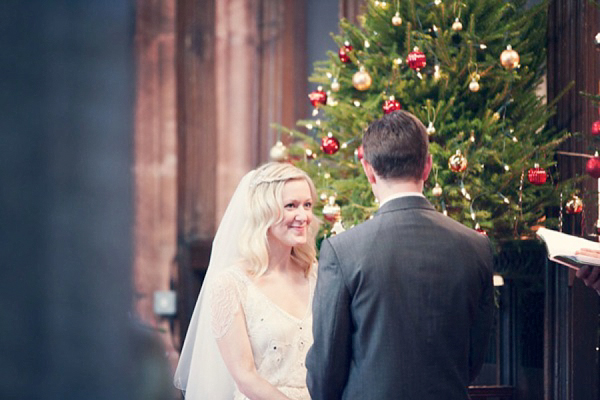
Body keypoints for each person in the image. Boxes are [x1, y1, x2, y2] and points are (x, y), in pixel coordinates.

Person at [306, 110, 495, 400]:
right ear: (428, 167)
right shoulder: (477, 247)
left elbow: (326, 368)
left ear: (368, 170)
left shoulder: (343, 251)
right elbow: (473, 360)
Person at [174, 162, 319, 400]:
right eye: (291, 206)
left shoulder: (316, 274)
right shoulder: (230, 285)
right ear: (265, 212)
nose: (303, 216)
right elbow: (245, 377)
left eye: (307, 205)